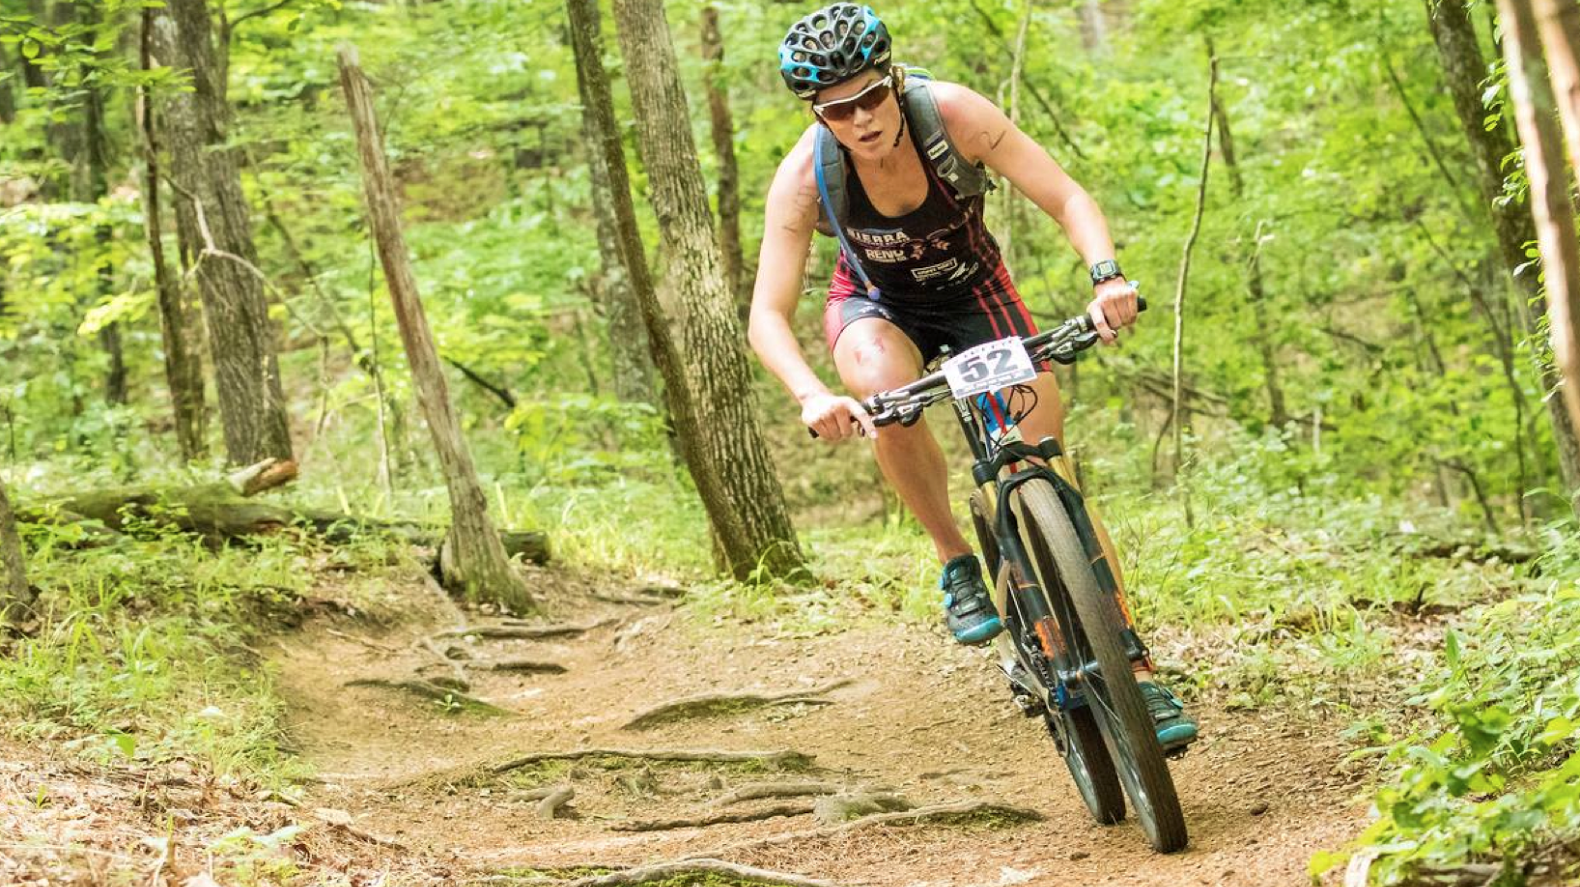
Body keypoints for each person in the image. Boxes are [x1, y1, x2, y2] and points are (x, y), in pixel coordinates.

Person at [746, 3, 1196, 751]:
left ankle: (1136, 667)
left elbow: (1066, 195)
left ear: (893, 79)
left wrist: (1107, 277)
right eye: (838, 109)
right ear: (816, 114)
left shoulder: (952, 114)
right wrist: (811, 395)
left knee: (1050, 472)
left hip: (976, 294)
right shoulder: (803, 177)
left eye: (870, 95)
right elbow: (767, 312)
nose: (861, 118)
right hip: (876, 306)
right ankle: (956, 557)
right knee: (883, 390)